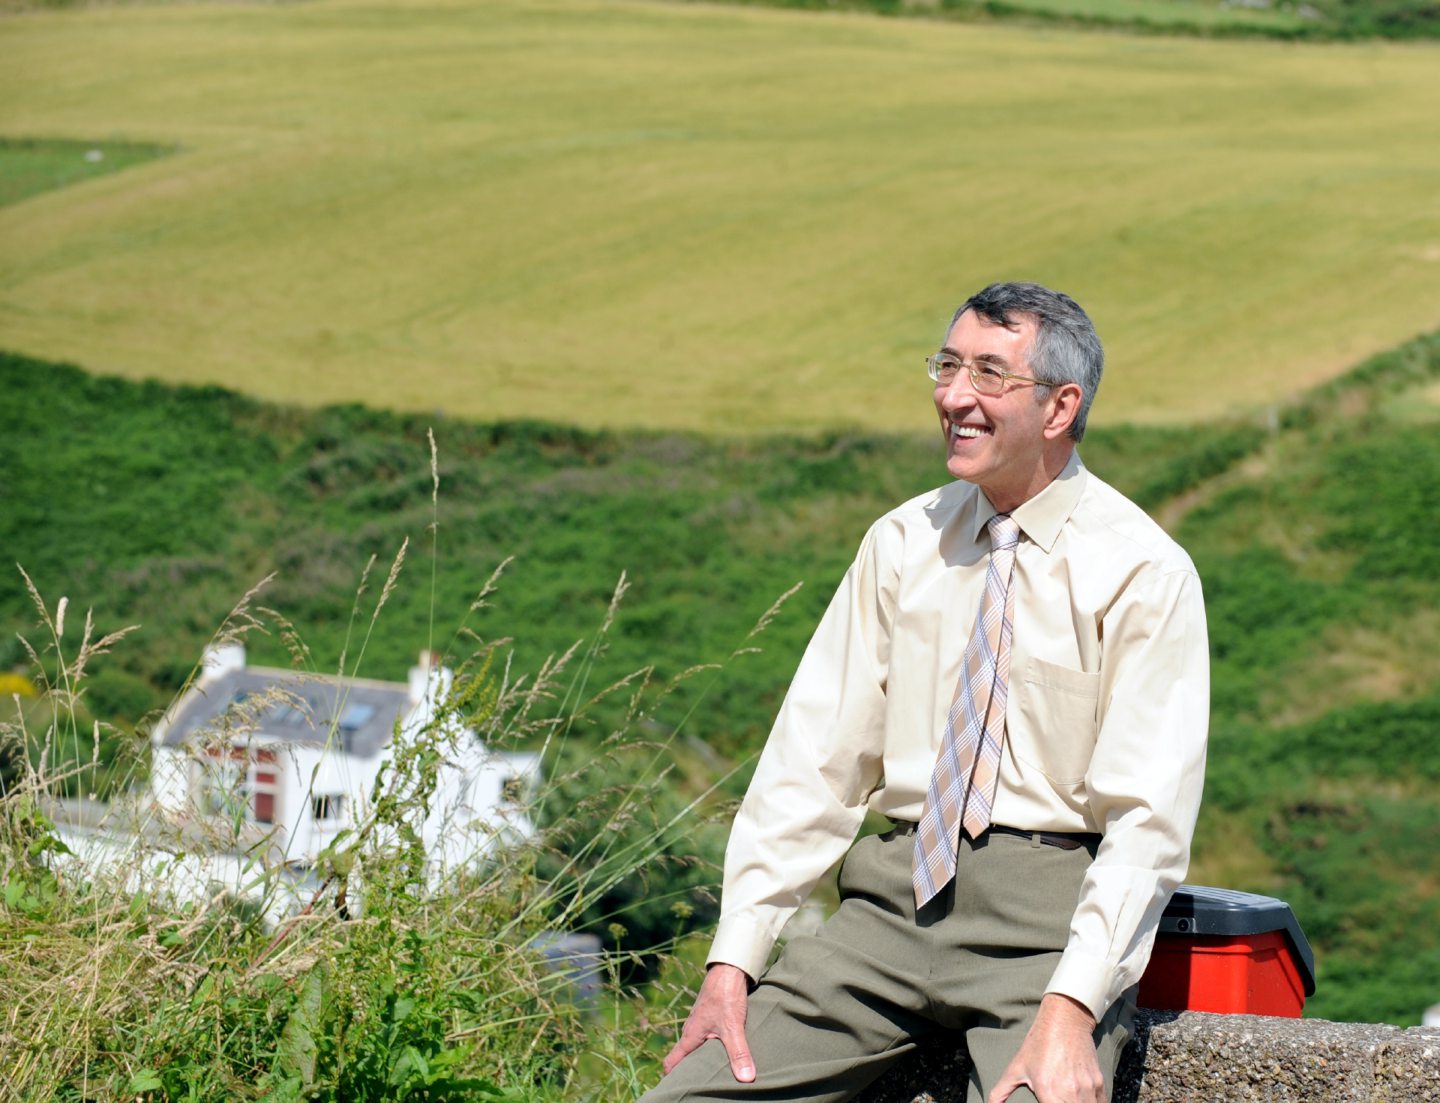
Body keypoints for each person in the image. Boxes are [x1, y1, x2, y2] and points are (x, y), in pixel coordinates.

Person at [642, 282, 1209, 1103]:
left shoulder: (1143, 572)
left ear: (1061, 407)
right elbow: (814, 761)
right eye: (947, 366)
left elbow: (1147, 824)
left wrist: (1073, 1005)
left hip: (1045, 932)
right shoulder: (903, 541)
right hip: (884, 912)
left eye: (988, 374)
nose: (952, 397)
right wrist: (734, 961)